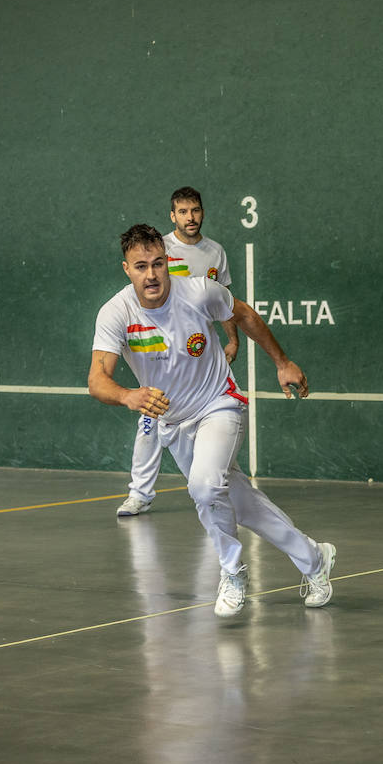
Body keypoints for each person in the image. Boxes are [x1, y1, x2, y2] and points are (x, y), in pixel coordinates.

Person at [89, 223, 336, 617]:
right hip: (175, 424)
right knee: (242, 504)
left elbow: (244, 315)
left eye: (157, 264)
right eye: (140, 267)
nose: (151, 275)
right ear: (126, 269)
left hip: (219, 403)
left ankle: (233, 571)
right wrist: (127, 395)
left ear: (168, 261)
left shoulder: (199, 291)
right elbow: (97, 380)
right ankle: (315, 559)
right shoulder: (115, 312)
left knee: (205, 486)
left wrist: (283, 362)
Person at [116, 187, 240, 517]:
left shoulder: (216, 252)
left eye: (195, 210)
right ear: (173, 216)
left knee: (216, 422)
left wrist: (232, 340)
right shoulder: (159, 250)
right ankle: (140, 492)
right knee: (150, 419)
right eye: (183, 211)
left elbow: (225, 301)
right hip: (161, 349)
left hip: (200, 351)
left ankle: (221, 489)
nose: (190, 217)